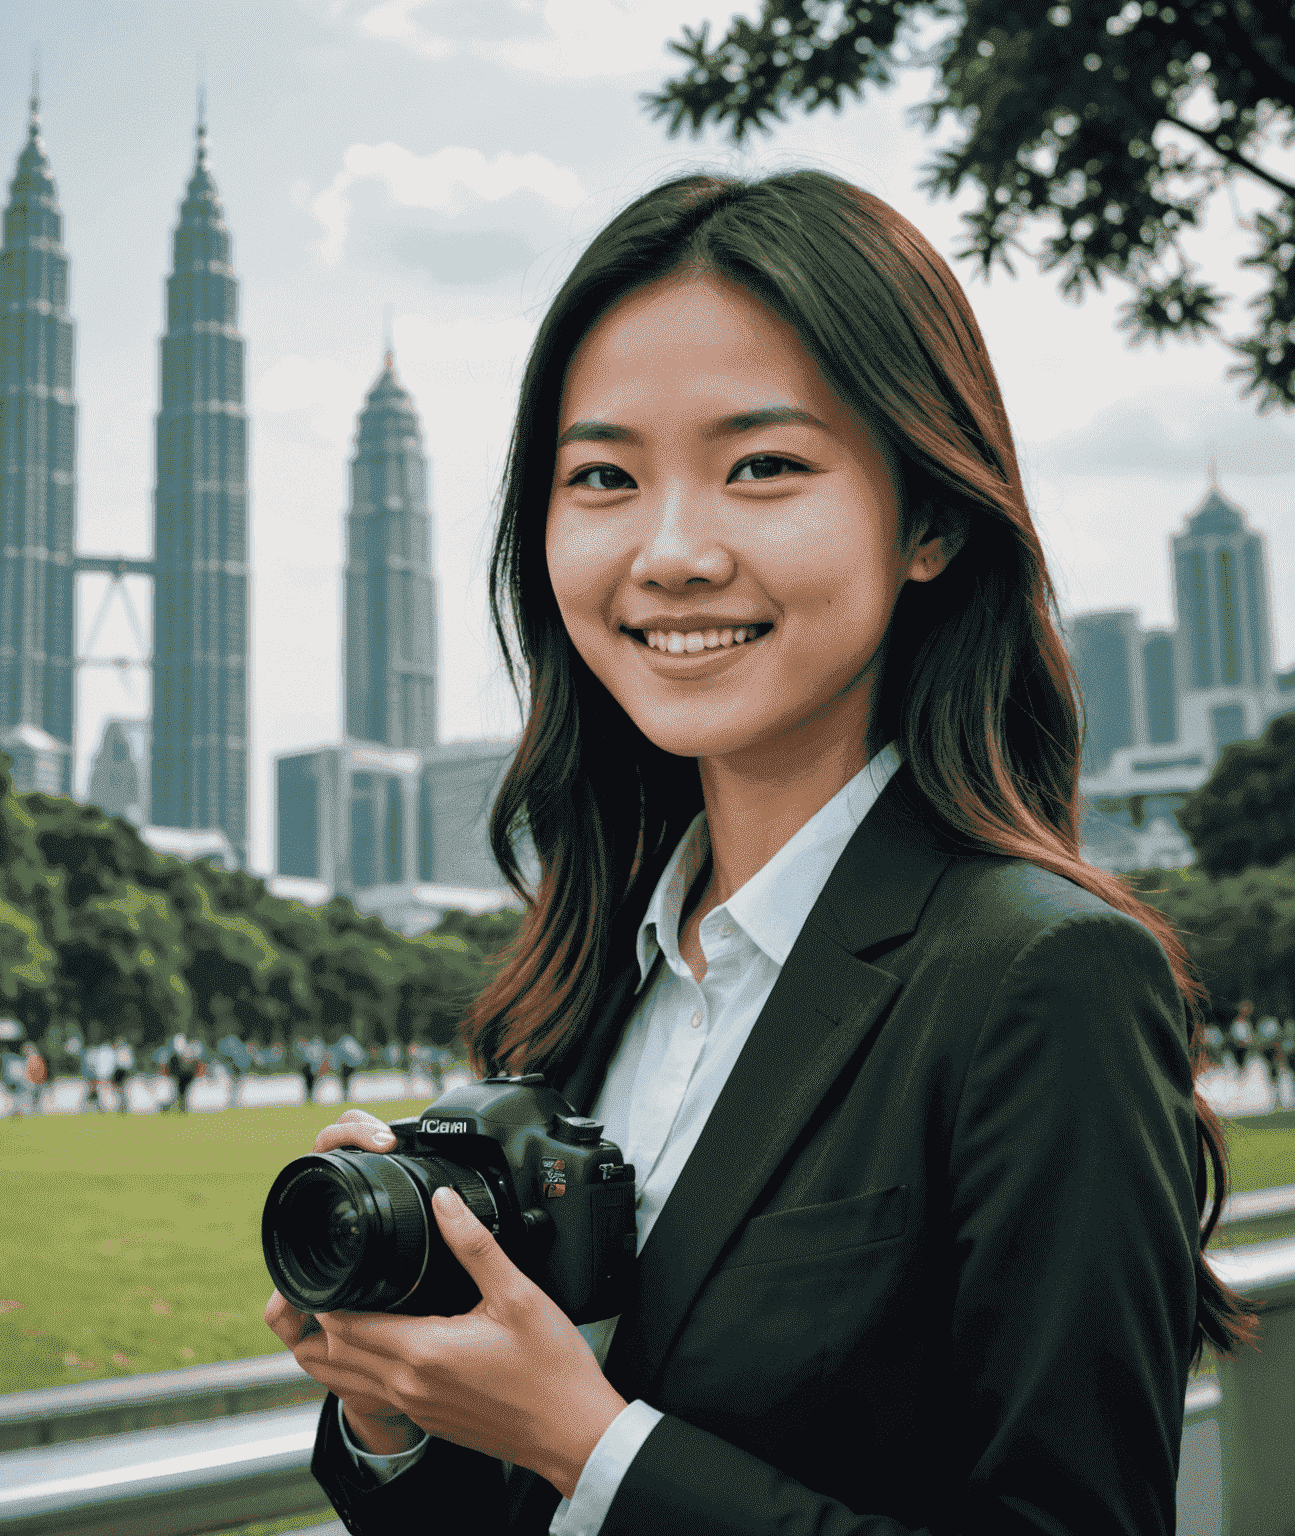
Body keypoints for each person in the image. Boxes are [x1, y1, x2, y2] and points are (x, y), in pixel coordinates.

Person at [266, 170, 1258, 1535]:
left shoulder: (1044, 977)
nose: (670, 554)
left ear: (931, 520)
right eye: (604, 477)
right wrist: (397, 1413)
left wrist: (593, 1445)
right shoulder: (581, 983)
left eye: (764, 468)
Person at [1228, 999, 1255, 1076]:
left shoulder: (1247, 1023)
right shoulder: (1237, 1023)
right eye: (1246, 1008)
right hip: (1240, 1051)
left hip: (1247, 1051)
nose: (1248, 1011)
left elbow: (1250, 1038)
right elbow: (1237, 1041)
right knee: (1240, 1072)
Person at [112, 1038, 133, 1113]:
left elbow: (129, 1063)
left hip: (123, 1071)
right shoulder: (119, 1050)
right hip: (119, 1071)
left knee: (124, 1092)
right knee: (118, 1092)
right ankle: (120, 1107)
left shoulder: (126, 1049)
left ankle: (123, 1108)